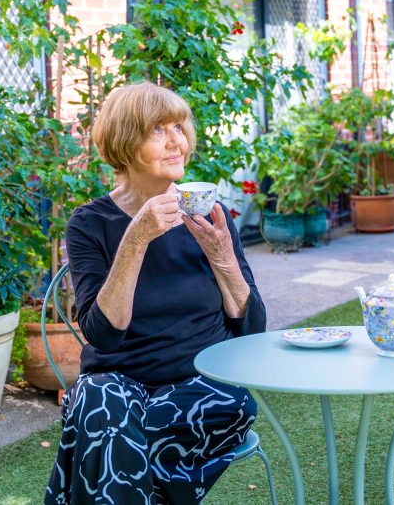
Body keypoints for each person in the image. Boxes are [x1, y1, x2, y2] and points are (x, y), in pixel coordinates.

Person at [44, 82, 266, 505]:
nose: (177, 141)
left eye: (179, 127)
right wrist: (136, 238)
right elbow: (103, 335)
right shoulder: (89, 224)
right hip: (118, 384)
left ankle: (110, 459)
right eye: (158, 130)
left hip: (203, 387)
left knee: (107, 431)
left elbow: (251, 329)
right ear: (125, 142)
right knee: (99, 402)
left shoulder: (209, 216)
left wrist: (222, 257)